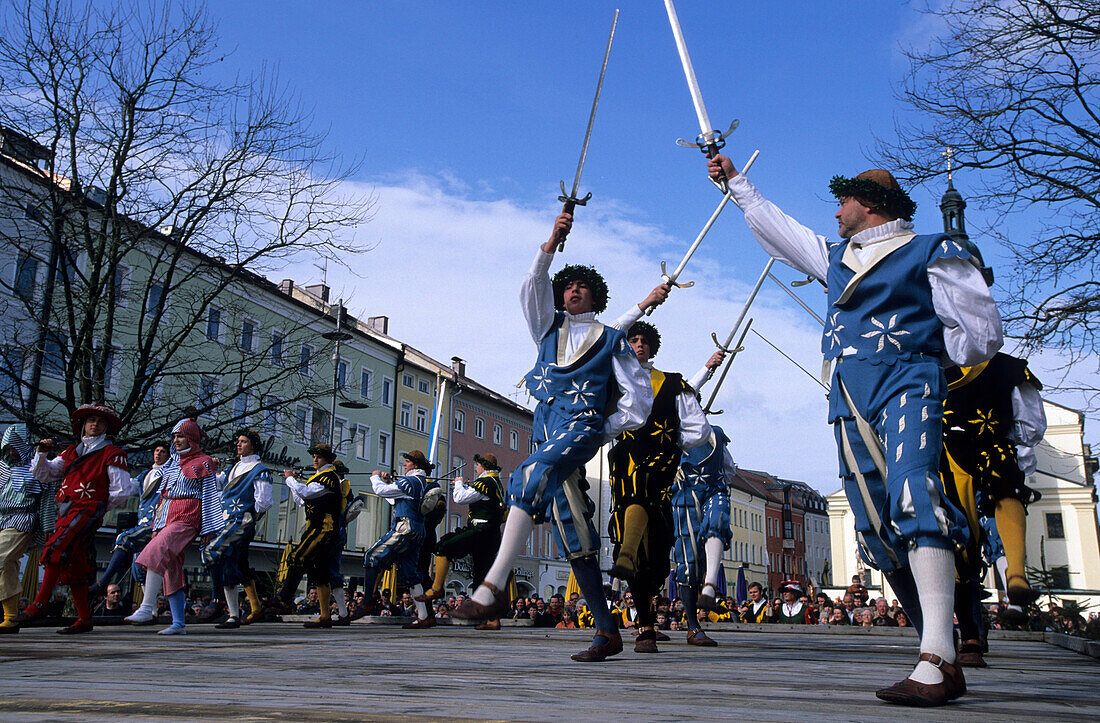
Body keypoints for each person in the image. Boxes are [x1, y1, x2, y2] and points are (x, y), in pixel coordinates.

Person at [708, 153, 1003, 706]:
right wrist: (736, 183)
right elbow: (780, 231)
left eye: (843, 200)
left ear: (867, 204)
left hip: (908, 380)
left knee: (916, 493)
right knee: (873, 526)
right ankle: (935, 648)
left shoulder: (933, 250)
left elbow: (982, 334)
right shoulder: (837, 257)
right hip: (848, 395)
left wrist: (934, 358)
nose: (836, 209)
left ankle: (936, 657)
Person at [453, 212, 653, 665]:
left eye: (583, 286)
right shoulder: (547, 327)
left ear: (596, 296)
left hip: (578, 430)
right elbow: (531, 286)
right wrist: (551, 241)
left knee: (528, 475)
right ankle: (607, 632)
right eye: (568, 285)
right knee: (576, 537)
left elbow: (637, 395)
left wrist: (601, 428)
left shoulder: (611, 338)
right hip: (545, 433)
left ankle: (492, 587)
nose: (574, 290)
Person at [604, 312, 711, 653]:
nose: (638, 346)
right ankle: (646, 626)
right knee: (634, 528)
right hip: (626, 461)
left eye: (644, 342)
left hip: (660, 460)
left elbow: (700, 429)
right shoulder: (611, 380)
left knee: (657, 551)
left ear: (652, 349)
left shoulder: (671, 382)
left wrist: (676, 442)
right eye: (633, 340)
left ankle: (631, 563)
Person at [17, 404, 131, 634]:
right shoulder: (71, 452)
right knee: (75, 566)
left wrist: (97, 507)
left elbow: (122, 490)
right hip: (67, 510)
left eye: (100, 421)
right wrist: (41, 453)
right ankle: (85, 618)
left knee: (55, 548)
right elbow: (44, 473)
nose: (94, 424)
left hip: (87, 510)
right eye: (91, 420)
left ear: (106, 427)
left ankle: (39, 603)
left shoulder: (112, 454)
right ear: (83, 425)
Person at [126, 417, 218, 635]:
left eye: (181, 436)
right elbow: (160, 494)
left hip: (187, 515)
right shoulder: (171, 464)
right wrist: (156, 520)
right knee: (170, 568)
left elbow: (210, 495)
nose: (176, 440)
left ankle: (147, 607)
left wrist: (209, 529)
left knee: (157, 550)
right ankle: (179, 623)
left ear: (192, 438)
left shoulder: (204, 462)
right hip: (165, 515)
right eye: (174, 436)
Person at [416, 453, 505, 630]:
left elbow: (460, 498)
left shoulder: (485, 482)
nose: (476, 468)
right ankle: (492, 619)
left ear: (484, 466)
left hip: (480, 530)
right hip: (491, 533)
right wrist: (464, 486)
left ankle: (437, 587)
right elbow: (476, 496)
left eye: (478, 465)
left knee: (444, 546)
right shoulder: (495, 482)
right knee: (482, 576)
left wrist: (458, 483)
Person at [202, 429, 272, 629]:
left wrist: (249, 515)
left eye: (243, 441)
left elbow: (264, 501)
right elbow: (220, 489)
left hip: (240, 522)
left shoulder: (260, 470)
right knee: (229, 563)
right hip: (226, 521)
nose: (238, 444)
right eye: (238, 441)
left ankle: (217, 600)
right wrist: (213, 471)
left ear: (252, 445)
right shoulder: (234, 467)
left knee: (212, 551)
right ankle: (233, 615)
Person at [358, 450, 436, 629]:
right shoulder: (422, 482)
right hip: (418, 530)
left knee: (371, 556)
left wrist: (375, 477)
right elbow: (397, 499)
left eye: (407, 462)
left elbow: (380, 491)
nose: (404, 465)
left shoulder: (409, 481)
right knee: (410, 575)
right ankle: (423, 616)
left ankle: (367, 602)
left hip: (404, 528)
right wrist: (389, 483)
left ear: (415, 465)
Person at [89, 442, 169, 597]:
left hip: (156, 523)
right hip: (143, 522)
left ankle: (103, 581)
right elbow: (127, 487)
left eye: (163, 451)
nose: (158, 453)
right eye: (156, 450)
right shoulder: (145, 474)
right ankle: (150, 608)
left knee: (124, 538)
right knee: (138, 566)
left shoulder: (169, 475)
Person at [276, 443, 342, 629]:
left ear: (327, 459)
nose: (315, 459)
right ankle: (325, 615)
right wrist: (293, 484)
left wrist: (290, 479)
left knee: (297, 557)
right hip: (316, 527)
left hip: (324, 528)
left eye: (319, 457)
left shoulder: (328, 477)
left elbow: (305, 492)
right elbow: (301, 499)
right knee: (319, 571)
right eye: (314, 456)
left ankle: (283, 598)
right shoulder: (319, 477)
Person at [0, 423, 56, 633]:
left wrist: (49, 527)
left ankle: (10, 616)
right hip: (2, 519)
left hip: (23, 519)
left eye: (14, 447)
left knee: (1, 558)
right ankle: (11, 616)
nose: (11, 452)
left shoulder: (37, 466)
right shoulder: (2, 467)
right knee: (8, 565)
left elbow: (47, 500)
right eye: (8, 448)